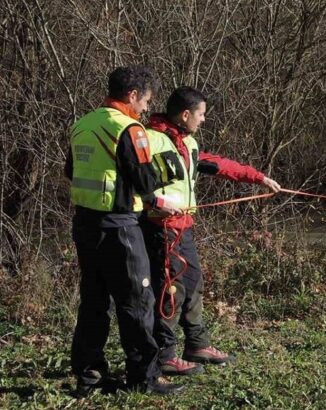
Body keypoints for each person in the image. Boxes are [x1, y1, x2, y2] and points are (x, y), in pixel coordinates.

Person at [140, 86, 281, 376]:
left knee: (193, 283)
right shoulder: (148, 140)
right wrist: (153, 204)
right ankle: (165, 355)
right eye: (201, 114)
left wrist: (258, 177)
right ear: (185, 114)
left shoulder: (188, 144)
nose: (203, 120)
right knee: (171, 292)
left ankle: (197, 345)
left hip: (185, 229)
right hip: (160, 229)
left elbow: (219, 164)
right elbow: (131, 180)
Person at [66, 65, 185, 396]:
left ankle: (90, 373)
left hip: (86, 225)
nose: (147, 108)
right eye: (146, 101)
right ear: (133, 96)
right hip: (121, 227)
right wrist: (164, 183)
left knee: (94, 301)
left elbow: (71, 171)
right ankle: (144, 377)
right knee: (137, 301)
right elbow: (145, 181)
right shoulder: (130, 130)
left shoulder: (81, 125)